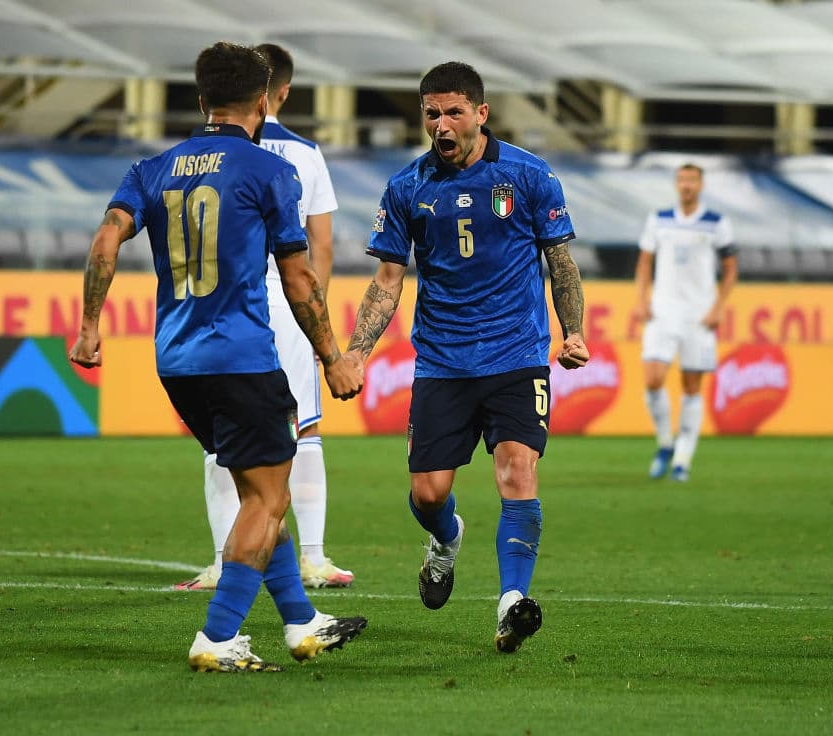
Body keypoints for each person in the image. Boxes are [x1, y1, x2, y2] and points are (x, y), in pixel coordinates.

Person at [69, 42, 367, 673]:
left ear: (201, 101)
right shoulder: (269, 171)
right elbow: (298, 278)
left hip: (177, 361)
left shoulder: (150, 170)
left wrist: (90, 325)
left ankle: (303, 624)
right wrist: (333, 356)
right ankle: (218, 635)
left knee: (260, 489)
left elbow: (104, 241)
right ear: (264, 101)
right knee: (267, 499)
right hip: (242, 357)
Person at [346, 62, 590, 654]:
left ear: (481, 113)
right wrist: (356, 351)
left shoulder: (529, 176)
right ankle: (446, 540)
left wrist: (574, 332)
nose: (442, 124)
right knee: (428, 494)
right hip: (442, 361)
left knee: (517, 469)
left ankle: (512, 602)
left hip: (516, 355)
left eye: (454, 112)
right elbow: (386, 280)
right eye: (432, 113)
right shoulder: (407, 187)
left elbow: (560, 261)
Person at [175, 42, 353, 592]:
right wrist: (318, 320)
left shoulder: (186, 158)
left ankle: (220, 558)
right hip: (284, 297)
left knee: (221, 440)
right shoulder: (303, 154)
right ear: (280, 93)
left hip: (215, 309)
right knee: (304, 430)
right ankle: (316, 557)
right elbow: (318, 248)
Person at [631, 163, 738, 482]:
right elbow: (644, 262)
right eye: (682, 179)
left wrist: (719, 306)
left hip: (699, 315)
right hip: (663, 310)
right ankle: (665, 443)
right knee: (653, 378)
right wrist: (641, 298)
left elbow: (730, 269)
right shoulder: (659, 219)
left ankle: (682, 459)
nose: (686, 185)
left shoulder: (716, 223)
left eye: (692, 180)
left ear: (701, 184)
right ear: (677, 185)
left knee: (692, 386)